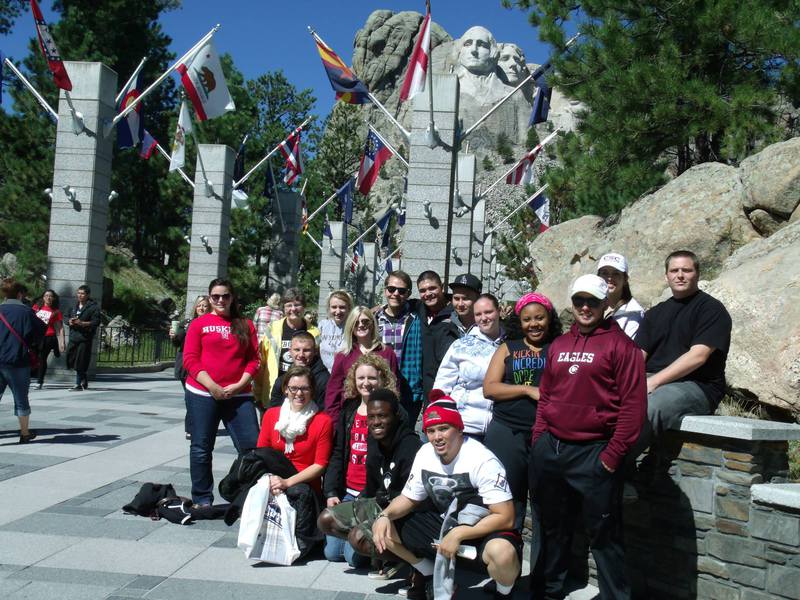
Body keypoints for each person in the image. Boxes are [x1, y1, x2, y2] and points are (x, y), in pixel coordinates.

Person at [530, 274, 646, 600]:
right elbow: (547, 396)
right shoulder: (560, 346)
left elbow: (633, 408)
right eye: (579, 300)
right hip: (551, 450)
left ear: (605, 304)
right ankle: (547, 592)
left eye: (592, 301)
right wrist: (539, 439)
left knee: (605, 536)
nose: (585, 307)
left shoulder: (622, 346)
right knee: (552, 531)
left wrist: (611, 457)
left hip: (594, 453)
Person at [372, 398, 522, 600]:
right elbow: (409, 498)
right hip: (445, 524)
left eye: (444, 428)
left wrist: (461, 533)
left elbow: (506, 517)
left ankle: (504, 591)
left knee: (502, 553)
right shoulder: (425, 453)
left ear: (459, 429)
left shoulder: (482, 460)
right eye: (431, 431)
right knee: (385, 526)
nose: (437, 437)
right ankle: (428, 571)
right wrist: (384, 515)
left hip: (482, 529)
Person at [319, 387, 423, 577]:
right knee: (326, 520)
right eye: (372, 416)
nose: (376, 422)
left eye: (382, 416)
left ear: (396, 415)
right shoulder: (374, 440)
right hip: (380, 504)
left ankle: (414, 562)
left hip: (403, 514)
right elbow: (372, 488)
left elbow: (413, 500)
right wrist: (359, 511)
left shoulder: (411, 447)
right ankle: (387, 555)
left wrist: (378, 520)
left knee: (357, 539)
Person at [634, 250, 732, 449]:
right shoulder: (654, 313)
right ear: (666, 276)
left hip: (696, 385)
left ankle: (608, 470)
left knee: (650, 407)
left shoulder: (711, 310)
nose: (680, 275)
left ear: (698, 274)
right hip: (652, 379)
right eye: (674, 270)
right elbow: (637, 356)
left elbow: (698, 356)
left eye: (686, 270)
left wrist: (652, 382)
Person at [483, 292, 561, 529]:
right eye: (527, 319)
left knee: (545, 504)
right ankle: (507, 560)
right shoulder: (508, 348)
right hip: (507, 432)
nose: (534, 324)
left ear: (549, 319)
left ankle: (541, 566)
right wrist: (527, 390)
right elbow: (490, 388)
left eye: (539, 318)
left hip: (547, 433)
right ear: (520, 321)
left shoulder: (559, 347)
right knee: (508, 501)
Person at [182, 279, 261, 506]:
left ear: (232, 297)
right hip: (202, 393)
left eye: (225, 296)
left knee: (251, 449)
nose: (220, 300)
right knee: (201, 448)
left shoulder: (245, 324)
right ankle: (202, 498)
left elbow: (254, 359)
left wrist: (239, 384)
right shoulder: (199, 324)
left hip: (239, 395)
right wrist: (212, 386)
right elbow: (190, 359)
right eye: (215, 296)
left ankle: (244, 496)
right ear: (209, 298)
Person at [322, 354, 398, 567]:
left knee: (353, 559)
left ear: (382, 379)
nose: (366, 383)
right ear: (354, 381)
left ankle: (382, 551)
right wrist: (331, 492)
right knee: (331, 553)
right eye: (361, 378)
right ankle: (361, 536)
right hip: (348, 491)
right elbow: (338, 453)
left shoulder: (392, 412)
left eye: (372, 378)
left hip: (372, 496)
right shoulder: (349, 410)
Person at [433, 293, 506, 440]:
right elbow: (443, 383)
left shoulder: (512, 343)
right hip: (465, 423)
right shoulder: (461, 345)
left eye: (488, 312)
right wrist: (440, 417)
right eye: (478, 314)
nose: (483, 318)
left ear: (499, 311)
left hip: (500, 425)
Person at [257, 365, 333, 495]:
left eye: (305, 388)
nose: (299, 393)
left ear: (312, 390)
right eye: (294, 388)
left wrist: (286, 482)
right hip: (272, 481)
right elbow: (261, 453)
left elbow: (320, 465)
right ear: (285, 389)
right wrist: (272, 481)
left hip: (303, 487)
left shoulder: (323, 421)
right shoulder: (271, 415)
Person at [325, 306, 398, 423]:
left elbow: (394, 387)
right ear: (350, 326)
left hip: (380, 416)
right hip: (350, 417)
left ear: (372, 323)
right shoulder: (343, 355)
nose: (360, 325)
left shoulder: (387, 353)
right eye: (356, 322)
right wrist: (335, 423)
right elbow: (333, 391)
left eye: (365, 321)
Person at [374, 270, 424, 424]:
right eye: (391, 289)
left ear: (408, 294)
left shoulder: (418, 318)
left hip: (409, 391)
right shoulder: (373, 319)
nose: (395, 294)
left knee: (405, 437)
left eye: (401, 291)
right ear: (385, 291)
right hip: (379, 389)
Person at [0, 278, 46, 443]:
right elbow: (41, 330)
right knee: (20, 397)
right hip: (18, 360)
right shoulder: (26, 312)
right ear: (20, 294)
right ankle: (25, 433)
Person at [258, 288, 320, 399]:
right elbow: (262, 362)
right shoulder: (272, 329)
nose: (293, 309)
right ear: (283, 308)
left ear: (304, 307)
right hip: (276, 390)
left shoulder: (315, 333)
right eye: (289, 305)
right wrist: (258, 393)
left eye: (297, 305)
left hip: (302, 393)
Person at [170, 295, 210, 439]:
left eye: (205, 305)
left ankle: (201, 426)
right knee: (190, 398)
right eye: (199, 305)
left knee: (201, 398)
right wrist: (173, 337)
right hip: (185, 367)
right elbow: (177, 343)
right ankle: (191, 427)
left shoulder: (211, 324)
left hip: (204, 367)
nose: (202, 308)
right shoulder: (186, 323)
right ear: (195, 307)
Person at [416, 271, 458, 403]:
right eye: (422, 290)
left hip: (452, 387)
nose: (428, 294)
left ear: (442, 286)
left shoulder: (457, 311)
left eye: (432, 288)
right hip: (426, 390)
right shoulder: (418, 308)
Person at [267, 331, 329, 411]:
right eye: (297, 350)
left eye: (306, 350)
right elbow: (274, 413)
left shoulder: (324, 381)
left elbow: (325, 413)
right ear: (290, 351)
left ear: (315, 352)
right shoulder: (281, 381)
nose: (301, 355)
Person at [596, 253, 645, 340]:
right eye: (605, 273)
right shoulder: (588, 306)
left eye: (616, 274)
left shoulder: (634, 313)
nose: (609, 278)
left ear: (625, 279)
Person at [65, 284, 101, 391]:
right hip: (73, 337)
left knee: (80, 361)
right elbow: (65, 316)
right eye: (78, 293)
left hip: (84, 338)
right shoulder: (73, 306)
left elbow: (96, 322)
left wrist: (82, 323)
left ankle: (77, 384)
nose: (80, 295)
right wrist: (69, 321)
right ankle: (83, 378)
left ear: (87, 295)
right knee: (70, 358)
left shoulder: (93, 307)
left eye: (82, 293)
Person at [32, 289, 66, 389]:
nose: (48, 297)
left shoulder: (56, 312)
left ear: (54, 298)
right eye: (46, 295)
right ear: (43, 297)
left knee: (42, 358)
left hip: (48, 337)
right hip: (35, 337)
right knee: (33, 357)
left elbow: (59, 328)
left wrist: (62, 342)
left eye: (51, 296)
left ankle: (40, 381)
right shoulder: (36, 308)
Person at [318, 290, 353, 371]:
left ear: (349, 308)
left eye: (342, 307)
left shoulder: (353, 327)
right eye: (334, 307)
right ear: (329, 308)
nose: (338, 311)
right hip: (324, 374)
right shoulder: (322, 326)